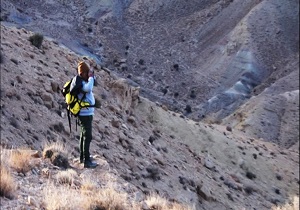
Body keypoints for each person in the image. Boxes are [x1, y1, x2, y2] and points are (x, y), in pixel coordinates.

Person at [71, 61, 97, 168]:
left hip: (86, 112)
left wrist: (91, 77)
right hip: (85, 114)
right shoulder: (80, 82)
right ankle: (86, 161)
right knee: (88, 136)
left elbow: (93, 84)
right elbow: (88, 88)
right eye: (87, 73)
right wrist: (90, 78)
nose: (89, 74)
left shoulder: (82, 80)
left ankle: (83, 157)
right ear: (83, 73)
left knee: (84, 135)